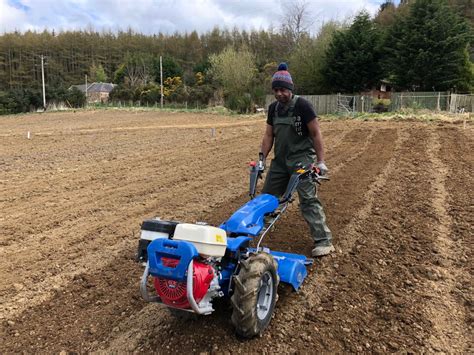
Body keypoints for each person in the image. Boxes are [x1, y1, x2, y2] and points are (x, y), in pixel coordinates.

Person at [260, 62, 334, 257]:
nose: (279, 94)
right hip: (281, 160)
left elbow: (316, 134)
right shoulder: (274, 109)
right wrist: (262, 159)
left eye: (283, 90)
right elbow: (269, 135)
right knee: (266, 196)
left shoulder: (303, 106)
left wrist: (320, 161)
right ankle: (262, 228)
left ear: (290, 89)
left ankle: (324, 240)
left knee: (308, 199)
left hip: (302, 160)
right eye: (275, 90)